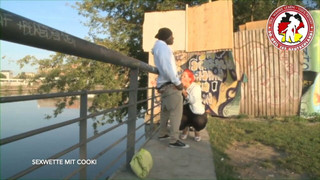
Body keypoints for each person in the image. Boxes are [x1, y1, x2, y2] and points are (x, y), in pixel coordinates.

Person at [152, 27, 189, 148]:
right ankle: (174, 140)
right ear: (166, 37)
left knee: (166, 111)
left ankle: (162, 133)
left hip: (164, 85)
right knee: (176, 113)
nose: (173, 38)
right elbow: (168, 68)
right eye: (171, 36)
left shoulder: (159, 47)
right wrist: (177, 82)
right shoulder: (163, 48)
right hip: (170, 85)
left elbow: (164, 67)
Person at [180, 69, 208, 142]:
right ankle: (185, 128)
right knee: (178, 122)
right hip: (185, 111)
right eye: (181, 76)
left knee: (199, 122)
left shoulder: (196, 87)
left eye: (184, 76)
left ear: (190, 78)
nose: (181, 77)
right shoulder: (179, 86)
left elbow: (192, 101)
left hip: (196, 112)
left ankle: (196, 130)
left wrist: (183, 92)